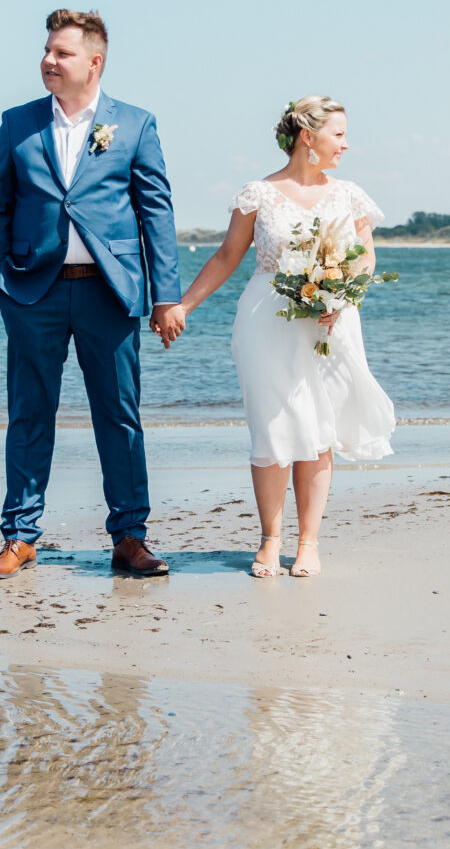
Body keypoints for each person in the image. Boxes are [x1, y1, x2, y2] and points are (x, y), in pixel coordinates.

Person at [0, 9, 185, 580]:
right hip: (32, 293)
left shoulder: (135, 125)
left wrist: (165, 295)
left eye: (61, 53)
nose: (48, 60)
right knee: (28, 415)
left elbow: (156, 214)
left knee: (119, 418)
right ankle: (19, 537)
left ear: (94, 62)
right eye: (47, 50)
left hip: (109, 294)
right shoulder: (17, 123)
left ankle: (129, 538)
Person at [160, 96, 394, 578]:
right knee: (273, 427)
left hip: (330, 318)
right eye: (339, 135)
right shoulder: (258, 194)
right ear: (308, 137)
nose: (346, 145)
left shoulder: (349, 195)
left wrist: (341, 297)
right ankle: (270, 540)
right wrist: (182, 305)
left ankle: (308, 543)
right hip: (267, 318)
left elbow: (366, 259)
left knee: (319, 429)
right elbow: (227, 256)